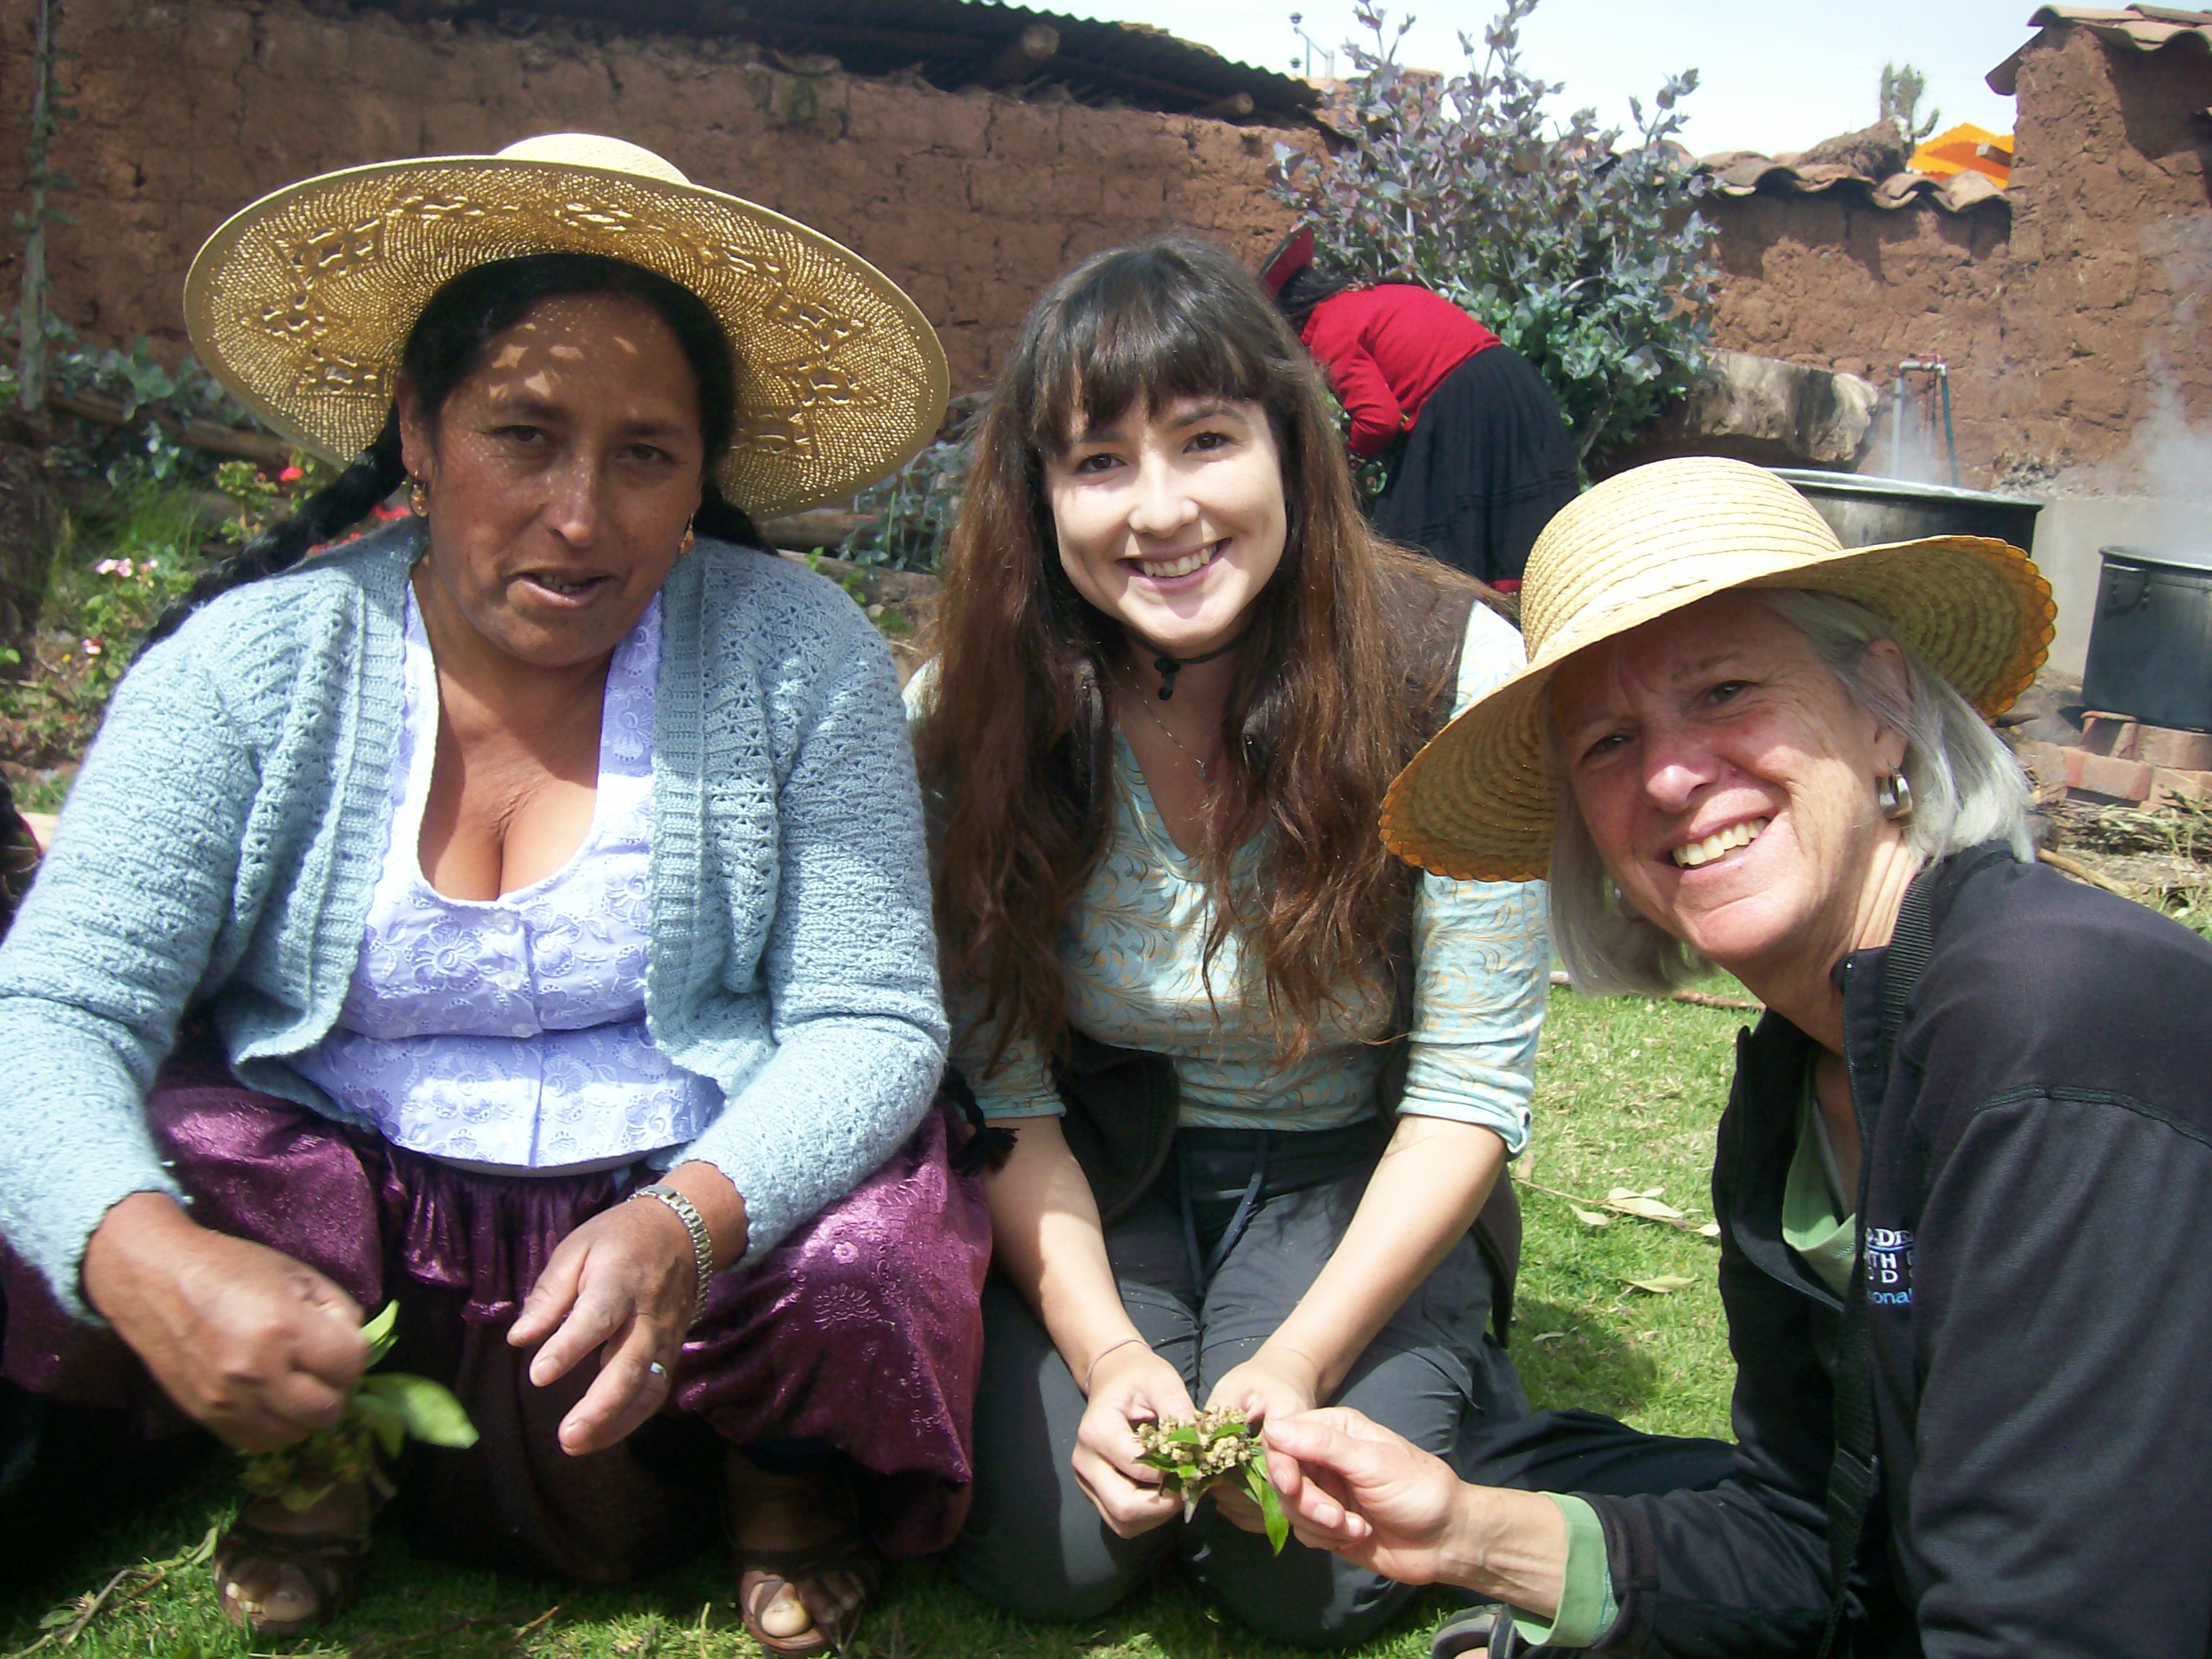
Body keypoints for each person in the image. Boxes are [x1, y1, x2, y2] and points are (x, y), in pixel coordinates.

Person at [0, 135, 988, 1656]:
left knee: (871, 1231)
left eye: (644, 454)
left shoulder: (801, 659)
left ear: (701, 473)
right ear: (418, 427)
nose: (580, 516)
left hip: (685, 1237)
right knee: (92, 1169)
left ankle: (778, 1477)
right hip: (355, 1226)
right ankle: (317, 1449)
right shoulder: (253, 669)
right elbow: (55, 1002)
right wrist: (144, 1249)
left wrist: (689, 1221)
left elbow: (870, 1019)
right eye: (523, 434)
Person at [1259, 457, 2212, 1657]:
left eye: (1722, 690)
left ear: (1880, 704)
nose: (1666, 774)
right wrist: (1463, 1531)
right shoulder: (1794, 1085)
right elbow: (1817, 1544)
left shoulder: (2052, 1029)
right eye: (1607, 741)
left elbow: (2052, 1621)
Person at [905, 235, 1550, 1649]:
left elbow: (1470, 1090)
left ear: (1290, 445)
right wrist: (1109, 1347)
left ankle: (1437, 1354)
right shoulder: (980, 702)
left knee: (1295, 1570)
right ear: (1037, 493)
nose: (1163, 511)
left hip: (1349, 1178)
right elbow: (1002, 1087)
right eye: (1098, 463)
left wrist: (1305, 1354)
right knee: (1059, 1555)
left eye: (1206, 442)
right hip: (1102, 1171)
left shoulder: (1449, 672)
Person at [1259, 228, 1578, 591]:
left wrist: (1348, 456)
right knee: (1509, 527)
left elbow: (1379, 421)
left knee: (1411, 540)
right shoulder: (1378, 295)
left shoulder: (1330, 328)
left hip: (1465, 403)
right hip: (1511, 383)